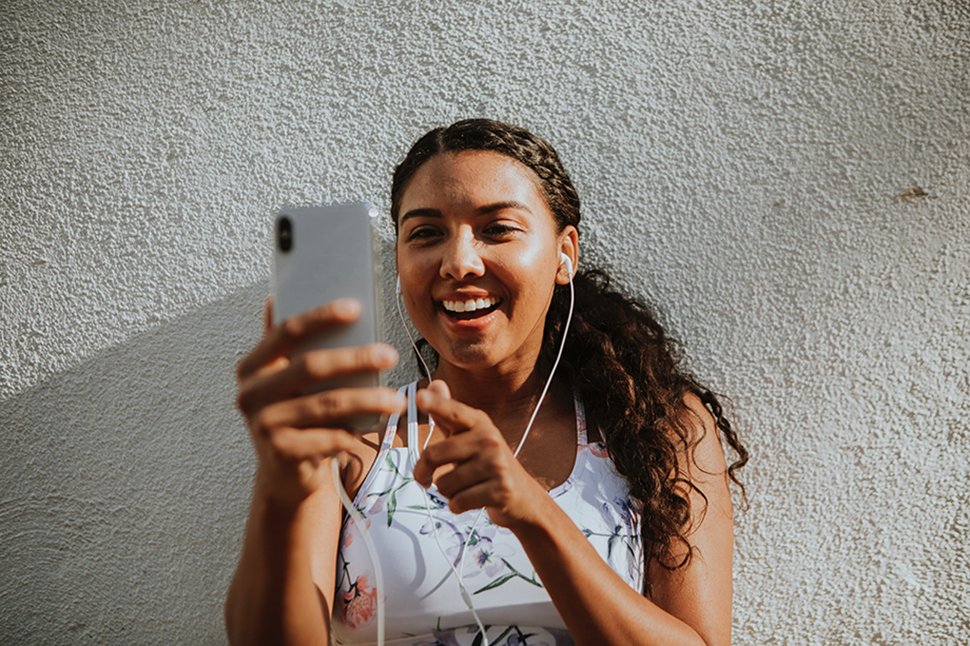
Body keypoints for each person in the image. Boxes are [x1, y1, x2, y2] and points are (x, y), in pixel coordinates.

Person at [225, 119, 748, 646]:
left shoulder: (655, 424)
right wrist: (278, 489)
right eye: (426, 233)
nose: (458, 263)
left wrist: (533, 512)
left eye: (497, 228)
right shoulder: (347, 438)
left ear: (564, 254)